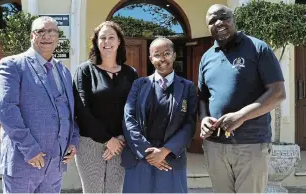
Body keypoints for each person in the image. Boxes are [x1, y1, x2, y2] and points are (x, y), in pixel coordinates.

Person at [198, 4, 286, 193]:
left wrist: (241, 116)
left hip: (251, 144)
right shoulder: (206, 58)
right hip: (215, 146)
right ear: (208, 27)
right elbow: (202, 97)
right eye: (213, 20)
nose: (219, 22)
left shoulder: (258, 48)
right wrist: (204, 118)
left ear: (233, 18)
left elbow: (278, 93)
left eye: (224, 17)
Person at [0, 16, 79, 193]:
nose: (46, 36)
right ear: (32, 36)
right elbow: (5, 109)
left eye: (52, 32)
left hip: (55, 165)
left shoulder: (63, 71)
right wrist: (29, 149)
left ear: (57, 37)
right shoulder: (12, 65)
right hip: (24, 161)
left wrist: (72, 141)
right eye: (41, 31)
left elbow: (71, 110)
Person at [121, 37, 197, 193]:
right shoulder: (139, 85)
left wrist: (164, 151)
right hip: (140, 158)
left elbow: (189, 124)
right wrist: (148, 152)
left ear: (174, 55)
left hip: (170, 159)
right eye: (157, 55)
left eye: (167, 53)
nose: (162, 59)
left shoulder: (187, 87)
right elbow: (128, 118)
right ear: (150, 59)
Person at [73, 21, 138, 193]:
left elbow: (135, 110)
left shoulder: (130, 73)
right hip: (90, 142)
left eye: (111, 37)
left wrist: (122, 139)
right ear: (96, 42)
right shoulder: (85, 70)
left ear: (119, 42)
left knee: (114, 191)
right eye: (102, 38)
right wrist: (108, 140)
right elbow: (82, 110)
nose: (107, 42)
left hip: (121, 143)